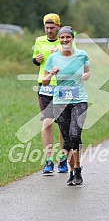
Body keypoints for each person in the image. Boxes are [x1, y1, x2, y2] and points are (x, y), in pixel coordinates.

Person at [42, 26, 90, 185]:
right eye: (62, 38)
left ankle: (78, 169)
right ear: (59, 39)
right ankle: (72, 171)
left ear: (72, 39)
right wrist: (51, 74)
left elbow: (87, 71)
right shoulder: (53, 58)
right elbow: (45, 82)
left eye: (67, 37)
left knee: (75, 134)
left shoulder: (82, 55)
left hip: (79, 100)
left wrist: (86, 75)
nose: (64, 40)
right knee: (67, 140)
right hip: (60, 102)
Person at [32, 13, 68, 174]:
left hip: (62, 86)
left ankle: (63, 158)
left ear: (58, 27)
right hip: (44, 85)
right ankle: (48, 160)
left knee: (62, 124)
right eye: (46, 27)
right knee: (46, 122)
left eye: (52, 27)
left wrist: (58, 53)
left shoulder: (66, 41)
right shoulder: (39, 40)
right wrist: (37, 59)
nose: (49, 30)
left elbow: (72, 62)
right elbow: (35, 59)